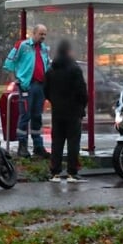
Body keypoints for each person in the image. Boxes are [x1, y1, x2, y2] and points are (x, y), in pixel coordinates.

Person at [3, 24, 51, 158]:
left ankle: (38, 146)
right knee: (25, 116)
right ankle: (22, 146)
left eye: (45, 34)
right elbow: (9, 63)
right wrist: (15, 79)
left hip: (40, 86)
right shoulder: (22, 46)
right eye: (41, 34)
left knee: (37, 116)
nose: (43, 37)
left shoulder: (44, 49)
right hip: (27, 86)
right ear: (34, 33)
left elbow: (47, 65)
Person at [43, 39, 88, 182]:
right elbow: (82, 91)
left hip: (57, 111)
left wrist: (54, 101)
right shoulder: (75, 69)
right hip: (73, 111)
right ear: (69, 51)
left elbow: (46, 90)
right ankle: (72, 173)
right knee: (73, 142)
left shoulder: (51, 69)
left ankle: (55, 172)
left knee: (57, 142)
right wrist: (82, 106)